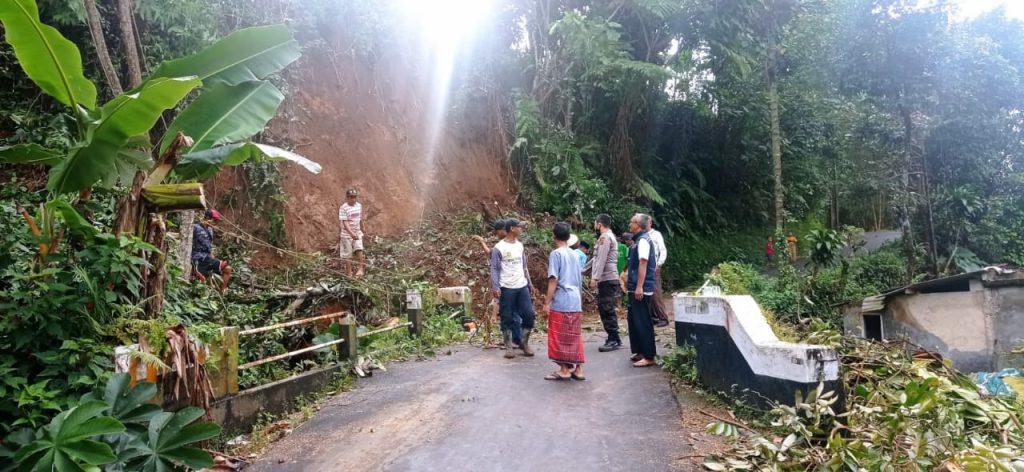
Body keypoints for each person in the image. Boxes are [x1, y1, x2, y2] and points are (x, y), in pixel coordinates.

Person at [543, 222, 585, 381]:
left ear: (554, 237)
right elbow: (579, 279)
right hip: (575, 299)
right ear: (569, 237)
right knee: (574, 334)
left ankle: (564, 369)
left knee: (559, 335)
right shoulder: (576, 254)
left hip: (562, 300)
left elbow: (553, 280)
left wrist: (547, 302)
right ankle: (579, 369)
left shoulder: (556, 254)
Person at [491, 219, 536, 359]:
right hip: (507, 287)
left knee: (529, 314)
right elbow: (494, 269)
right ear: (512, 229)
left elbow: (524, 266)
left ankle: (524, 342)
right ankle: (509, 346)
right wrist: (495, 286)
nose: (521, 230)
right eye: (519, 227)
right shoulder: (498, 248)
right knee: (507, 317)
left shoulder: (520, 246)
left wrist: (529, 283)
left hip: (521, 286)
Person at [626, 213, 658, 367]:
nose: (629, 224)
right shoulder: (638, 240)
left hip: (641, 288)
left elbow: (643, 264)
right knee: (634, 320)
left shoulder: (643, 241)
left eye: (631, 222)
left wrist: (639, 286)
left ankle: (649, 355)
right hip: (635, 286)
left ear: (638, 225)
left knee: (643, 320)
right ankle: (640, 351)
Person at [590, 214, 622, 352]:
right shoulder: (608, 236)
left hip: (607, 278)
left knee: (606, 308)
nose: (595, 225)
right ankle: (613, 337)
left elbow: (602, 259)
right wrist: (581, 270)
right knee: (605, 308)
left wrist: (595, 277)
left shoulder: (605, 237)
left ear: (599, 224)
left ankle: (614, 339)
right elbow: (595, 259)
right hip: (607, 278)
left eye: (595, 223)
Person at [473, 220, 508, 345]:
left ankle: (496, 324)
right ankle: (495, 324)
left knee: (500, 303)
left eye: (497, 232)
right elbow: (490, 253)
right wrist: (482, 241)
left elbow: (491, 256)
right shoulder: (503, 245)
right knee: (499, 301)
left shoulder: (508, 244)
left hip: (506, 281)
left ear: (501, 231)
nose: (496, 234)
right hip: (508, 281)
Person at [192, 209, 232, 294]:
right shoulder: (195, 228)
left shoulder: (210, 230)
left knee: (227, 269)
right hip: (197, 259)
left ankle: (222, 292)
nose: (216, 222)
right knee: (198, 284)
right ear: (207, 217)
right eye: (215, 220)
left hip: (207, 258)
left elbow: (209, 246)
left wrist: (212, 255)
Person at [339, 189, 365, 278]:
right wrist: (351, 234)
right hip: (346, 234)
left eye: (355, 197)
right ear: (347, 198)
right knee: (348, 254)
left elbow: (359, 218)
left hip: (357, 231)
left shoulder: (359, 206)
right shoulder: (343, 208)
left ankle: (361, 269)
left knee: (359, 249)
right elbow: (345, 222)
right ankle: (349, 272)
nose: (353, 199)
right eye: (351, 197)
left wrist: (362, 228)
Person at [648, 225, 670, 328]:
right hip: (646, 268)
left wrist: (659, 263)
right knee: (648, 294)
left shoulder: (656, 235)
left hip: (654, 267)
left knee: (655, 293)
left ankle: (663, 317)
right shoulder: (643, 235)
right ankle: (654, 316)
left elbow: (663, 250)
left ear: (650, 223)